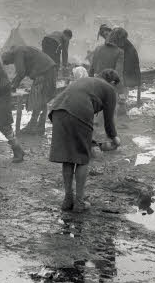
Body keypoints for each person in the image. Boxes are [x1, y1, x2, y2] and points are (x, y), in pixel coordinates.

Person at [49, 69, 120, 212]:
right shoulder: (109, 89)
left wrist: (92, 141)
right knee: (82, 157)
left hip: (57, 110)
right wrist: (114, 138)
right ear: (112, 82)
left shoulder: (88, 81)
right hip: (77, 111)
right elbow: (108, 121)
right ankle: (79, 202)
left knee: (68, 157)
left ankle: (68, 199)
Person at [1, 45, 57, 136]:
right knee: (42, 100)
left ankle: (32, 127)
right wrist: (14, 82)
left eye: (10, 62)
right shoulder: (20, 50)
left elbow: (21, 72)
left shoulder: (17, 52)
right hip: (48, 69)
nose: (13, 63)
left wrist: (13, 86)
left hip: (44, 72)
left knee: (36, 98)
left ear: (10, 57)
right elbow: (22, 71)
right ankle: (39, 127)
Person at [107, 28, 140, 115]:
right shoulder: (116, 44)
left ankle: (120, 108)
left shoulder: (126, 47)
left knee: (121, 92)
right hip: (117, 73)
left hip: (124, 73)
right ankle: (119, 107)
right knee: (118, 92)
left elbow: (124, 65)